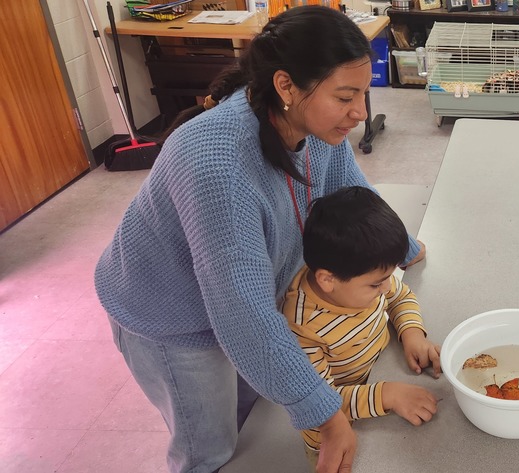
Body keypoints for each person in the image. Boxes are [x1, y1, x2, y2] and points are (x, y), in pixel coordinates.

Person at [94, 7, 424, 473]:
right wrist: (327, 416)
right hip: (172, 319)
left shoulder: (312, 128)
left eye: (363, 95)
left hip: (245, 304)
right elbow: (241, 314)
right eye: (345, 96)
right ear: (286, 86)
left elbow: (352, 193)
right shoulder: (217, 162)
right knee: (210, 450)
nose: (359, 113)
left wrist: (404, 248)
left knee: (256, 421)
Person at [280, 186, 441, 470]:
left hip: (379, 375)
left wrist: (411, 334)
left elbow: (399, 296)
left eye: (387, 278)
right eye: (376, 284)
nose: (384, 289)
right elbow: (320, 402)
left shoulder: (366, 276)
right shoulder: (302, 327)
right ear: (327, 280)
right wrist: (388, 395)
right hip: (335, 433)